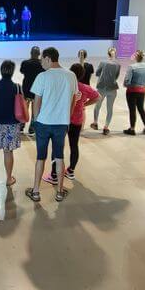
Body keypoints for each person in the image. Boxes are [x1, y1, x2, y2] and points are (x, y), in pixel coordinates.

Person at [25, 47, 79, 203]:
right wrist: (67, 117)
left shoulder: (42, 76)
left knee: (40, 157)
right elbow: (73, 100)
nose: (41, 62)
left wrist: (35, 120)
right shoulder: (71, 75)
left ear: (48, 58)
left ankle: (36, 191)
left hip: (43, 123)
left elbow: (37, 101)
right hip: (61, 124)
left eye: (42, 59)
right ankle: (60, 192)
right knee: (59, 157)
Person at [48, 63, 99, 183]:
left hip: (62, 120)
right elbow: (97, 97)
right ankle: (71, 171)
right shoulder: (85, 87)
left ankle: (54, 174)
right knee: (74, 145)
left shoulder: (63, 85)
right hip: (77, 121)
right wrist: (84, 104)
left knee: (57, 146)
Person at [91, 47, 120, 134]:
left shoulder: (103, 62)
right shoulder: (118, 64)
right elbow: (116, 77)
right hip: (113, 88)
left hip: (102, 87)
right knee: (110, 108)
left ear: (108, 53)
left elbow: (97, 73)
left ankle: (95, 123)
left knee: (97, 106)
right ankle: (106, 127)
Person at [123, 50, 145, 135]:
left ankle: (132, 129)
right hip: (142, 90)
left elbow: (127, 81)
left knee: (132, 110)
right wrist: (142, 83)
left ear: (135, 57)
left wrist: (126, 85)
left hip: (132, 91)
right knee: (141, 108)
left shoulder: (132, 67)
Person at [19, 46, 45, 135]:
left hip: (26, 89)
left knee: (24, 108)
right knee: (35, 110)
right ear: (39, 54)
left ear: (31, 53)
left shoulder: (25, 63)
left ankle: (21, 127)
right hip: (37, 90)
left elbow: (22, 71)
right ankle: (32, 129)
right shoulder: (42, 64)